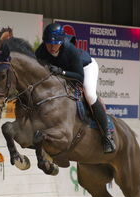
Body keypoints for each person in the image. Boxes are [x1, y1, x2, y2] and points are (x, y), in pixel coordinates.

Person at [35, 23, 116, 153]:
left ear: (61, 42)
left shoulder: (70, 50)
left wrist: (61, 72)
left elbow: (79, 77)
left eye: (55, 43)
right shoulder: (41, 50)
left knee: (89, 94)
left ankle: (107, 135)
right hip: (65, 71)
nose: (51, 46)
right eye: (48, 43)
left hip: (85, 68)